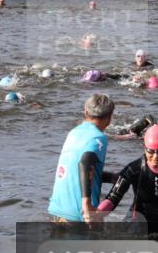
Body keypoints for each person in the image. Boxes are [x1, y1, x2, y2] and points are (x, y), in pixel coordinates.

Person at [48, 94, 116, 222]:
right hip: (80, 214)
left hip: (58, 210)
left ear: (85, 112)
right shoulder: (98, 137)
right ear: (109, 119)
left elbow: (76, 170)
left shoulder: (74, 132)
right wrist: (87, 204)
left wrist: (111, 177)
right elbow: (85, 163)